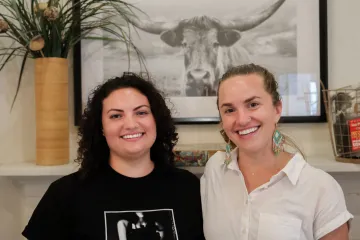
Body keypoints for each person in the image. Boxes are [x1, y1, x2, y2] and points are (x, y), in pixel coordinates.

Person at [22, 72, 205, 240]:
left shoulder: (189, 188)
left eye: (141, 112)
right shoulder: (64, 194)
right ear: (101, 128)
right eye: (116, 116)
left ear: (155, 120)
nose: (130, 124)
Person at [200, 63, 354, 240]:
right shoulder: (214, 170)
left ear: (277, 109)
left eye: (253, 104)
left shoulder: (320, 188)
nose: (242, 120)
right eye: (229, 110)